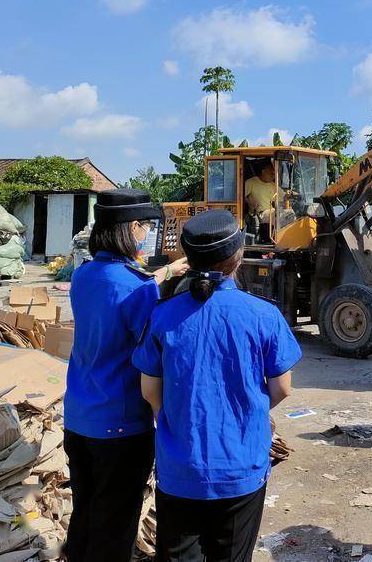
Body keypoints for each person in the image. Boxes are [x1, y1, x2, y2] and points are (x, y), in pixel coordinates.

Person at [133, 209, 302, 562]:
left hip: (179, 469)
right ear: (238, 257)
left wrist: (179, 414)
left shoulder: (163, 315)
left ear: (188, 260)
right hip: (241, 469)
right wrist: (246, 411)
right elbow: (282, 388)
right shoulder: (264, 314)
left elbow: (150, 392)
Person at [63, 189, 189, 562]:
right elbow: (150, 347)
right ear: (131, 228)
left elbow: (124, 291)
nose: (146, 234)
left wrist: (164, 272)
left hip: (80, 417)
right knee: (115, 526)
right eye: (145, 227)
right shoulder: (135, 287)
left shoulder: (84, 275)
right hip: (119, 426)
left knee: (85, 511)